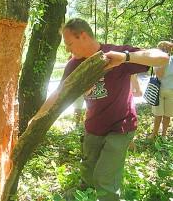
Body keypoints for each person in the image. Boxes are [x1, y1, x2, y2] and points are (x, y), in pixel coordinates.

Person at [44, 18, 168, 201]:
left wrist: (126, 57)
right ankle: (84, 194)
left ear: (83, 36)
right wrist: (38, 117)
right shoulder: (74, 64)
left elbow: (162, 58)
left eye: (70, 44)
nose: (68, 50)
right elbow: (59, 92)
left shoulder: (116, 53)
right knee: (88, 172)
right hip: (93, 127)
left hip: (121, 126)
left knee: (105, 179)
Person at [149, 41, 173, 139]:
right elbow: (159, 75)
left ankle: (163, 135)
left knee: (167, 115)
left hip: (171, 92)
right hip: (158, 91)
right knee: (158, 115)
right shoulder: (157, 61)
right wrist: (164, 61)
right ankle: (154, 134)